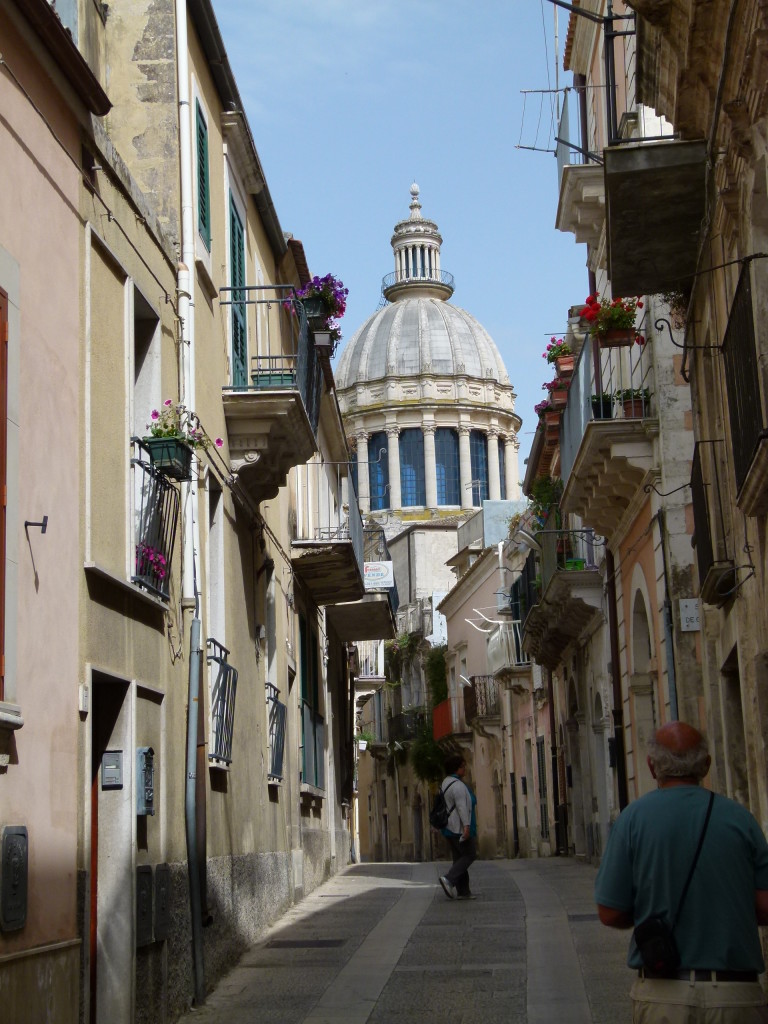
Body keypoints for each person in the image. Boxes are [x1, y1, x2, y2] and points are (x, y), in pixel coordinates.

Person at [595, 721, 768, 1023]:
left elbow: (609, 912)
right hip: (735, 994)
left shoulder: (632, 821)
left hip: (664, 994)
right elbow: (766, 907)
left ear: (651, 766)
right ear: (706, 765)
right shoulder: (742, 821)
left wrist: (654, 913)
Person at [437, 754, 478, 900]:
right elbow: (462, 807)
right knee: (469, 855)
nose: (465, 768)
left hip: (448, 827)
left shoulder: (445, 783)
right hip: (458, 828)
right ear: (456, 768)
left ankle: (464, 891)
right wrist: (466, 827)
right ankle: (449, 879)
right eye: (462, 766)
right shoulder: (458, 786)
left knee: (459, 858)